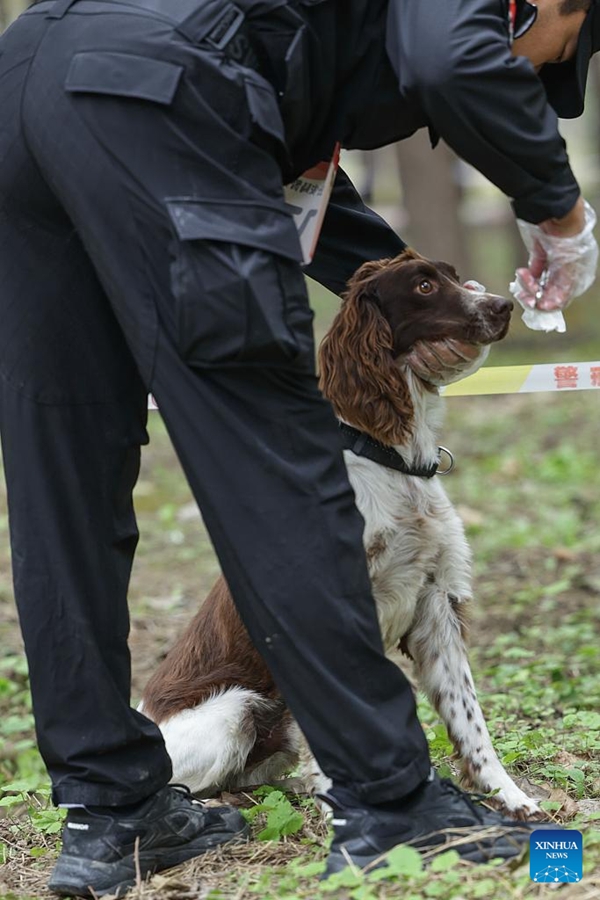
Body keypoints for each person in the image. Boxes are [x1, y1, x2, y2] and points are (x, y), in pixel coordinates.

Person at [0, 0, 597, 896]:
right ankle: (388, 802)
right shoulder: (474, 13)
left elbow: (303, 191)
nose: (542, 81)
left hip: (27, 84)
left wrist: (417, 282)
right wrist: (559, 209)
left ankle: (111, 809)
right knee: (276, 465)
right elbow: (450, 60)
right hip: (163, 96)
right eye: (559, 58)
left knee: (65, 474)